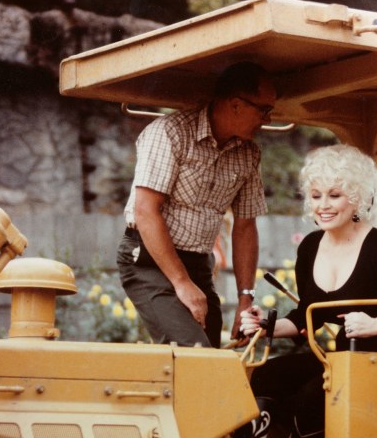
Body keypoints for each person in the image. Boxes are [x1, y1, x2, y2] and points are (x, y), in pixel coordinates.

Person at [234, 144, 377, 438]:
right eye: (316, 196)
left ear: (356, 198)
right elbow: (305, 318)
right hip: (333, 358)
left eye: (334, 195)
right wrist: (265, 324)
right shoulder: (309, 247)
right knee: (262, 376)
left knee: (314, 394)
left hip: (375, 362)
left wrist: (374, 325)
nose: (323, 205)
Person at [117, 61, 276, 348]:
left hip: (199, 266)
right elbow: (145, 211)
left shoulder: (249, 154)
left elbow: (245, 226)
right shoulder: (169, 133)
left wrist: (245, 300)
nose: (267, 118)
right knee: (194, 351)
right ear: (237, 105)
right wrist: (181, 283)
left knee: (213, 353)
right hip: (149, 262)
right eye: (264, 110)